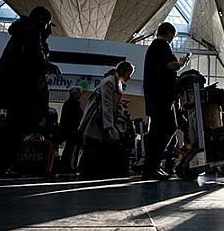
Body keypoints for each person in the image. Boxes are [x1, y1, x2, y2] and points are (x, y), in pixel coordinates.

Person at [0, 6, 61, 176]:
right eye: (48, 24)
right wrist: (48, 65)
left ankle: (3, 164)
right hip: (21, 89)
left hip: (15, 88)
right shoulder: (33, 31)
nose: (50, 31)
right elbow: (34, 56)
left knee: (14, 125)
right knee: (17, 126)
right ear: (42, 20)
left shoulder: (23, 31)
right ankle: (6, 165)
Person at [142, 22, 190, 180]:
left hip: (158, 97)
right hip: (161, 97)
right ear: (168, 32)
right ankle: (151, 167)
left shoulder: (155, 47)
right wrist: (182, 63)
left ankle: (152, 166)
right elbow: (171, 65)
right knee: (162, 130)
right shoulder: (161, 45)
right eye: (173, 35)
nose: (173, 38)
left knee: (163, 128)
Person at [76, 62, 134, 177]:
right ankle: (87, 170)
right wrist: (110, 127)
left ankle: (88, 170)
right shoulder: (109, 82)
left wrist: (119, 104)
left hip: (101, 118)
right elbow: (106, 105)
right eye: (128, 74)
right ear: (122, 71)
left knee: (95, 144)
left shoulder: (113, 82)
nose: (129, 77)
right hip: (98, 118)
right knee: (94, 143)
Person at [58, 87, 84, 173]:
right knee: (71, 148)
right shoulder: (72, 104)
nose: (81, 94)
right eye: (79, 93)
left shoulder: (72, 104)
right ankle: (68, 165)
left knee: (70, 148)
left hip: (73, 130)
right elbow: (68, 118)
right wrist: (72, 129)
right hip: (72, 131)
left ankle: (67, 165)